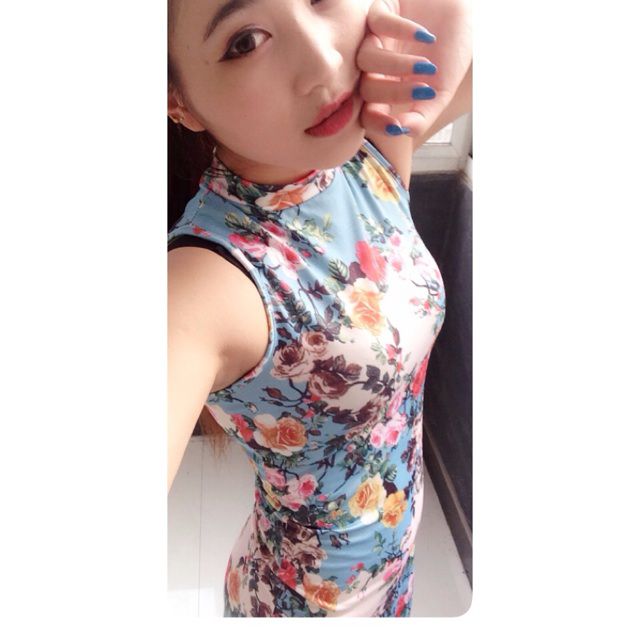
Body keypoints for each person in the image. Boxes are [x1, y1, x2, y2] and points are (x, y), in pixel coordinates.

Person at [168, 0, 472, 617]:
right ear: (179, 102)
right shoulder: (206, 277)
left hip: (396, 575)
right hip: (299, 608)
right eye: (245, 40)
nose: (325, 61)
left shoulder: (370, 153)